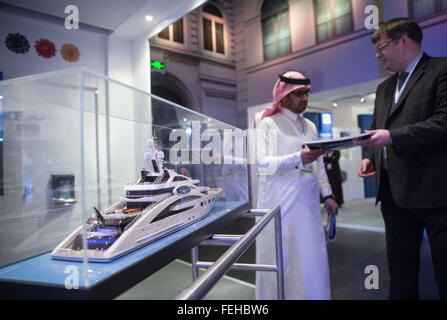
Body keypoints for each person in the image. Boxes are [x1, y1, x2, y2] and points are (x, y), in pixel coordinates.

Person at [356, 18, 447, 300]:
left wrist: (393, 138)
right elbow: (377, 127)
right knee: (401, 272)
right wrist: (371, 156)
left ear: (404, 40)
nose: (377, 55)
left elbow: (444, 121)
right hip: (394, 195)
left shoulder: (441, 70)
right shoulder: (384, 88)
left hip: (436, 193)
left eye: (382, 47)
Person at [256, 71, 338, 300]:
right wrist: (298, 159)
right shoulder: (268, 124)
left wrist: (328, 194)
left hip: (308, 208)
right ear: (284, 95)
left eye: (306, 94)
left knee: (311, 262)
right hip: (280, 208)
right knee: (284, 261)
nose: (305, 99)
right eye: (299, 94)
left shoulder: (310, 126)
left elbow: (318, 163)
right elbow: (262, 164)